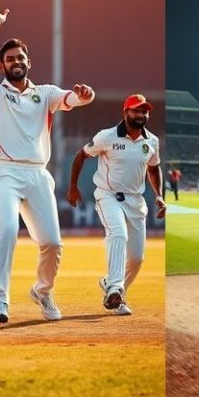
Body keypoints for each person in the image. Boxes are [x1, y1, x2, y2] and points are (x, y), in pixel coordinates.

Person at [0, 0, 95, 324]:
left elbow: (74, 98)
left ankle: (43, 290)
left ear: (29, 61)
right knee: (9, 229)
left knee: (53, 243)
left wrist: (87, 96)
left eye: (21, 57)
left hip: (39, 175)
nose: (16, 61)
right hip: (6, 173)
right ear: (2, 66)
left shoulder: (44, 92)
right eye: (10, 58)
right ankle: (0, 301)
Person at [66, 94, 166, 316]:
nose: (141, 115)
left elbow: (153, 167)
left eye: (144, 111)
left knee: (137, 258)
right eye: (136, 110)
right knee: (118, 234)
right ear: (125, 112)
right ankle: (114, 289)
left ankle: (115, 290)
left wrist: (158, 195)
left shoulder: (151, 141)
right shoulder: (107, 136)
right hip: (108, 195)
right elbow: (81, 155)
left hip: (136, 201)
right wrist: (73, 186)